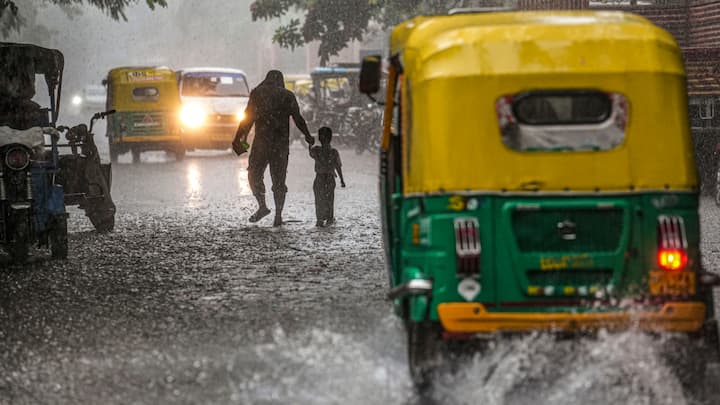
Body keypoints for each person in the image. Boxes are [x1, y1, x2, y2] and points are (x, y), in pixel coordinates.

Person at [233, 70, 315, 226]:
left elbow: (247, 118)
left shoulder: (257, 93)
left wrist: (238, 137)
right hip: (280, 145)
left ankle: (262, 206)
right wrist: (307, 135)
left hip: (261, 143)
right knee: (279, 181)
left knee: (254, 174)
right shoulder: (287, 95)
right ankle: (278, 215)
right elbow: (298, 119)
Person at [309, 127, 345, 227]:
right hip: (330, 178)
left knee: (319, 199)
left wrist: (310, 143)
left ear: (319, 138)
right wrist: (342, 180)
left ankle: (319, 219)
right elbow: (338, 167)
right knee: (330, 199)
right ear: (331, 138)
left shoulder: (316, 150)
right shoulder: (334, 152)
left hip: (319, 178)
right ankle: (329, 217)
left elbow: (310, 153)